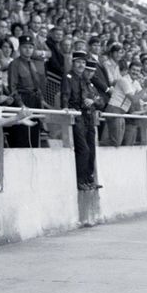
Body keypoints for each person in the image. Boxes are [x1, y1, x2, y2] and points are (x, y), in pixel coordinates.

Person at [61, 51, 98, 190]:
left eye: (83, 62)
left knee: (91, 150)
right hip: (76, 114)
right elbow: (65, 95)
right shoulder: (68, 77)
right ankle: (80, 180)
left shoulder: (84, 79)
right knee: (84, 149)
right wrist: (65, 109)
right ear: (73, 63)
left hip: (87, 116)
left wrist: (92, 100)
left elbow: (96, 98)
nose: (81, 65)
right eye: (78, 62)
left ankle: (89, 179)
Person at [7, 35, 45, 147]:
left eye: (30, 47)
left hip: (35, 101)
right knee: (22, 135)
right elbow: (12, 87)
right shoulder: (14, 64)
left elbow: (37, 85)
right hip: (23, 100)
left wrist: (41, 100)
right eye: (25, 47)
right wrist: (20, 104)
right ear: (19, 48)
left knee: (34, 134)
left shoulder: (33, 64)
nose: (28, 50)